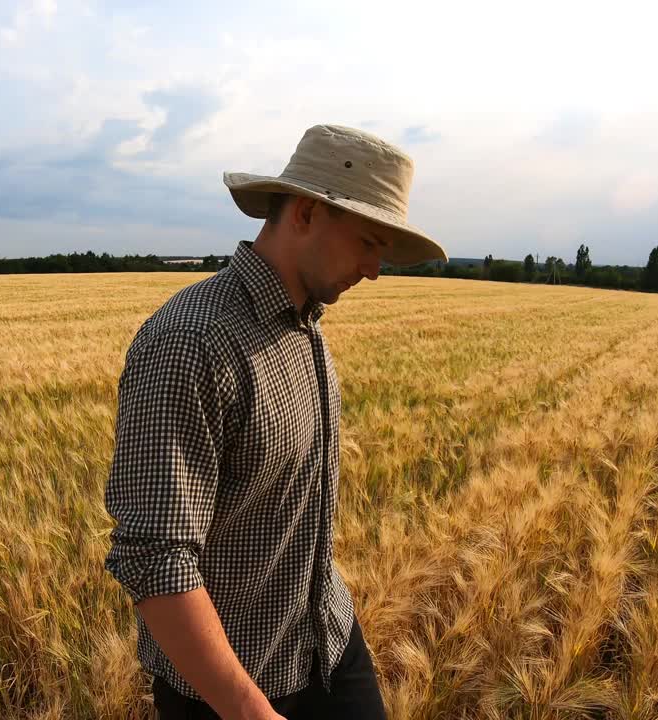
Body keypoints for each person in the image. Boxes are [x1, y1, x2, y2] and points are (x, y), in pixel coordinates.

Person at [103, 124, 448, 719]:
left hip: (329, 644)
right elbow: (154, 557)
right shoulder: (191, 344)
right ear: (308, 214)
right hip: (231, 687)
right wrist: (249, 709)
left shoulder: (304, 322)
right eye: (369, 242)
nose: (374, 270)